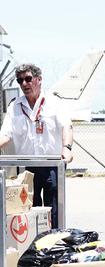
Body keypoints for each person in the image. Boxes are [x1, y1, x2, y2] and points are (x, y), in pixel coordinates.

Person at [0, 63, 73, 229]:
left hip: (51, 165)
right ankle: (32, 246)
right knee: (28, 210)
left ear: (39, 80)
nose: (24, 84)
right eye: (20, 81)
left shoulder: (54, 103)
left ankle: (53, 241)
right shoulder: (15, 106)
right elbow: (5, 134)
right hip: (27, 167)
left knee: (53, 209)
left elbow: (67, 127)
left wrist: (66, 149)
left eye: (28, 79)